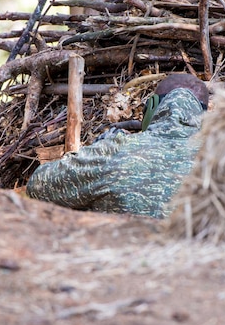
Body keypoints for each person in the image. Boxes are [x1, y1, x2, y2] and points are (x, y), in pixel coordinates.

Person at [26, 73, 209, 218]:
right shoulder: (224, 158)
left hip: (121, 260)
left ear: (152, 108)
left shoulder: (116, 149)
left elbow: (38, 187)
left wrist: (95, 150)